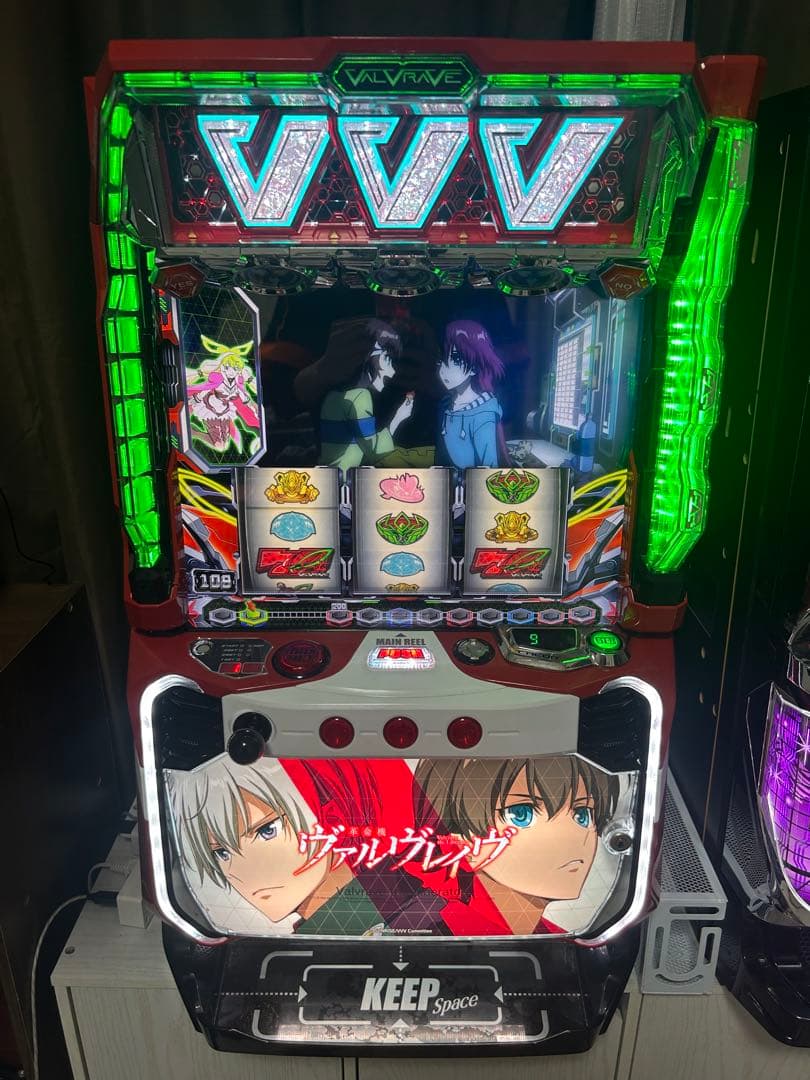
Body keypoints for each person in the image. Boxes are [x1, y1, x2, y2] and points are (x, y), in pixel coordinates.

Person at [411, 755, 619, 935]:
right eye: (521, 814)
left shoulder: (562, 937)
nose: (572, 836)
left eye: (582, 814)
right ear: (457, 837)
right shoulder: (427, 927)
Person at [293, 318, 414, 474]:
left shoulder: (333, 396)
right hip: (343, 482)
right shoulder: (359, 397)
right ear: (367, 356)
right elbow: (375, 450)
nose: (392, 371)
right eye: (387, 359)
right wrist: (399, 417)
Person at [437, 320, 506, 469]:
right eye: (443, 359)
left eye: (456, 360)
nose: (445, 368)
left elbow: (489, 471)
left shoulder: (484, 414)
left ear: (475, 367)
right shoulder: (447, 403)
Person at [187, 336, 260, 454]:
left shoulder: (238, 384)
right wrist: (196, 399)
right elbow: (206, 389)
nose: (231, 372)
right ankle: (193, 432)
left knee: (223, 445)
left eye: (235, 369)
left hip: (224, 412)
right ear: (222, 368)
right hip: (210, 408)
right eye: (227, 368)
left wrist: (254, 406)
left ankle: (194, 432)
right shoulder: (217, 378)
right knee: (219, 445)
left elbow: (245, 399)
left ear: (238, 371)